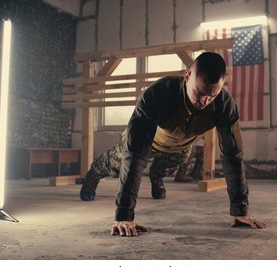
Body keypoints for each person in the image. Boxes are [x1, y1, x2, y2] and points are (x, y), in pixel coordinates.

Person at [79, 52, 267, 237]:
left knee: (181, 157)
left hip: (179, 146)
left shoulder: (225, 106)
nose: (204, 101)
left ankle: (157, 177)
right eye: (199, 93)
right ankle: (92, 176)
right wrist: (124, 215)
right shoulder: (158, 94)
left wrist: (240, 211)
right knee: (117, 165)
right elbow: (135, 155)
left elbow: (232, 156)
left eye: (211, 96)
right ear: (187, 77)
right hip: (147, 141)